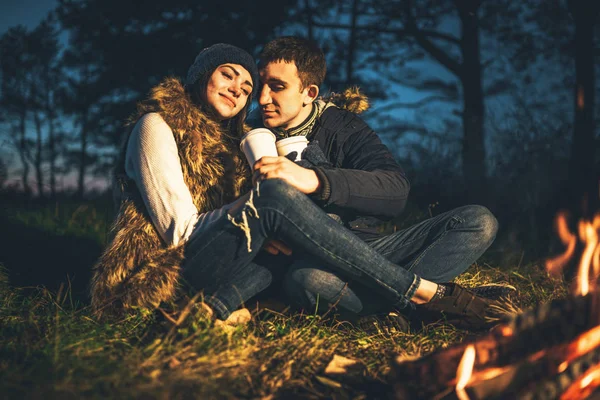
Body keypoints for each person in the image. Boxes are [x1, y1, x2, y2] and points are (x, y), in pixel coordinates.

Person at [253, 36, 514, 329]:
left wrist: (316, 179)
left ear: (309, 92)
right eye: (260, 85)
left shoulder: (342, 127)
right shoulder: (247, 136)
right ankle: (435, 304)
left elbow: (394, 190)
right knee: (308, 281)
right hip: (314, 264)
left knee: (478, 221)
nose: (262, 98)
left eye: (277, 87)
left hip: (372, 250)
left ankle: (395, 312)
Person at [90, 43, 264, 324]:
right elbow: (180, 231)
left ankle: (221, 307)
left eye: (246, 90)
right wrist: (260, 207)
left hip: (217, 257)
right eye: (228, 75)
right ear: (202, 74)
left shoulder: (235, 150)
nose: (236, 90)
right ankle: (218, 308)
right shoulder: (155, 125)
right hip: (158, 271)